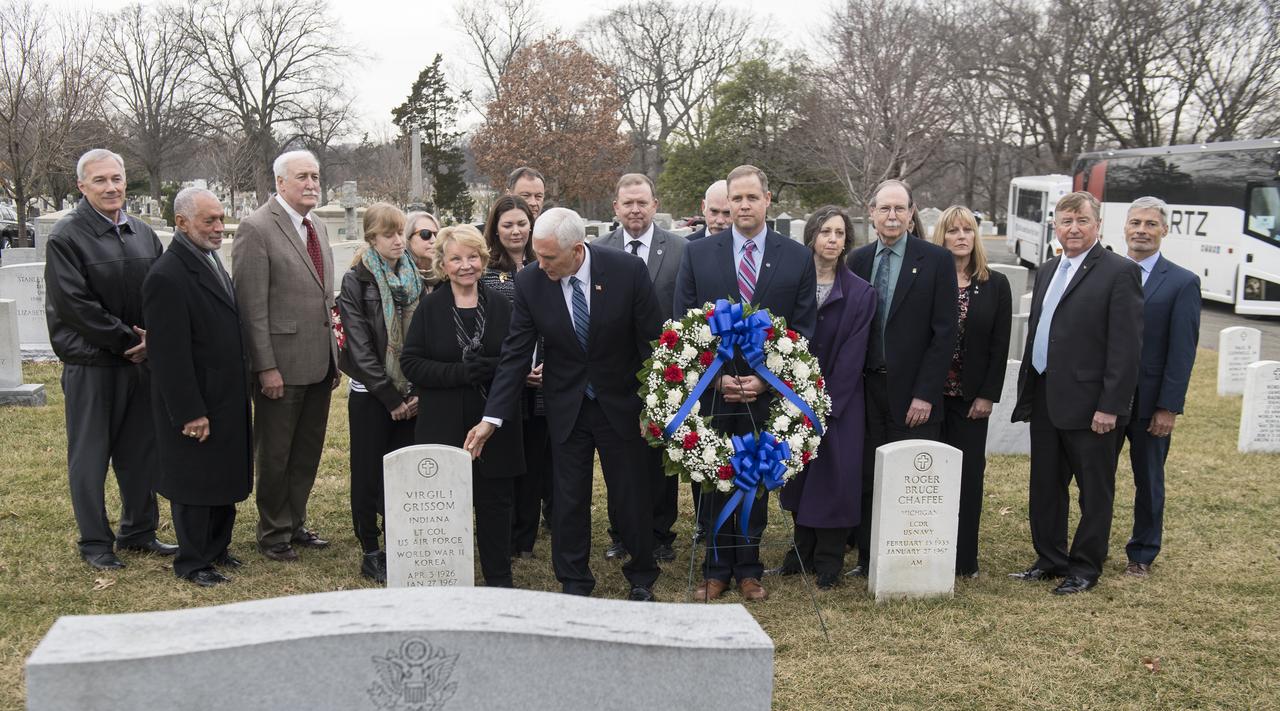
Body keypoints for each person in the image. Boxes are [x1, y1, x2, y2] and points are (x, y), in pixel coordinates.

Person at [464, 208, 664, 601]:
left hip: (620, 402)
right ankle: (573, 581)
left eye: (549, 257)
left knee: (629, 492)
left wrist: (651, 407)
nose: (541, 264)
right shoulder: (531, 282)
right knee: (568, 497)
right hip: (566, 403)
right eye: (538, 256)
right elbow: (515, 352)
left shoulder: (627, 272)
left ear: (577, 250)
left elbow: (652, 344)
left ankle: (641, 575)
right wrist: (492, 419)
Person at [673, 165, 818, 602]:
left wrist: (765, 382)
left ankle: (750, 568)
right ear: (727, 202)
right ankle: (716, 569)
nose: (743, 205)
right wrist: (714, 381)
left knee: (756, 477)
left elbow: (805, 328)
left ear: (767, 200)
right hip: (715, 392)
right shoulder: (699, 253)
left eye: (752, 197)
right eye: (736, 199)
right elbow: (683, 324)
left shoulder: (795, 256)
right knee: (715, 477)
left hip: (766, 393)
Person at [45, 148, 177, 570]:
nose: (111, 187)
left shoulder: (142, 233)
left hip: (139, 363)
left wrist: (155, 336)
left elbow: (162, 289)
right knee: (90, 456)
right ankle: (95, 543)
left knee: (141, 452)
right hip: (92, 363)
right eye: (100, 180)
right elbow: (75, 306)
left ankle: (138, 531)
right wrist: (126, 339)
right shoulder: (66, 237)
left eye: (116, 178)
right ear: (82, 187)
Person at [1010, 191, 1143, 595]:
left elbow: (1126, 347)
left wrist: (1110, 406)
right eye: (1065, 221)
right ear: (1055, 226)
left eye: (1081, 221)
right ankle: (1050, 558)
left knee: (1094, 490)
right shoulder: (1049, 269)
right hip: (1048, 394)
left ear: (1097, 225)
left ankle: (1085, 568)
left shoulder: (1119, 272)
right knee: (1046, 485)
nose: (1073, 228)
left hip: (1092, 405)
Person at [845, 179, 957, 578]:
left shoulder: (936, 260)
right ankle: (866, 557)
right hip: (864, 388)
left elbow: (945, 334)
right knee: (866, 474)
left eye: (900, 209)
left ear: (911, 214)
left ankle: (906, 558)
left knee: (907, 479)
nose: (892, 216)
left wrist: (926, 393)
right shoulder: (856, 260)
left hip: (912, 393)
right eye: (884, 208)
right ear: (871, 213)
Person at [141, 188, 252, 587]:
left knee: (223, 473)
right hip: (198, 398)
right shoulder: (168, 276)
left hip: (226, 393)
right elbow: (168, 355)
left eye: (221, 219)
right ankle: (192, 561)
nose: (219, 228)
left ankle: (217, 548)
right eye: (209, 221)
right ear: (182, 222)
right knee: (194, 481)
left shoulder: (209, 259)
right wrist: (190, 411)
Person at [231, 149, 338, 563]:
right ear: (280, 182)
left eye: (315, 176)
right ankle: (273, 531)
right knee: (275, 453)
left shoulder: (318, 227)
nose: (312, 183)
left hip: (319, 362)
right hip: (281, 366)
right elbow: (251, 308)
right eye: (303, 177)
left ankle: (294, 522)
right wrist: (266, 366)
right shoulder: (256, 229)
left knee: (306, 451)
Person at [402, 225, 523, 588]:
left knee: (496, 505)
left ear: (483, 260)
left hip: (494, 420)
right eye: (456, 259)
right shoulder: (430, 307)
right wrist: (458, 372)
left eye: (472, 257)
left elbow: (515, 362)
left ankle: (499, 580)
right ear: (443, 263)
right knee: (448, 502)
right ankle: (450, 578)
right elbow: (412, 363)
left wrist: (492, 366)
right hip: (444, 420)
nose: (465, 266)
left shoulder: (502, 305)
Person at [774, 206, 876, 589]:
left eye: (839, 233)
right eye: (826, 232)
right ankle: (800, 551)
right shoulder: (793, 286)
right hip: (793, 398)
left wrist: (824, 402)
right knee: (799, 475)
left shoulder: (860, 294)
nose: (833, 239)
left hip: (839, 402)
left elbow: (853, 354)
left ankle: (829, 559)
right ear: (812, 237)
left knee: (834, 477)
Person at [596, 173, 688, 564]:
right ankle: (620, 531)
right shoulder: (598, 250)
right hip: (615, 372)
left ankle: (660, 532)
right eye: (627, 203)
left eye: (642, 202)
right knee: (620, 457)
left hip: (666, 368)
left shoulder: (682, 250)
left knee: (660, 456)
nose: (635, 209)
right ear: (615, 207)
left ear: (655, 204)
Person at [337, 203, 424, 584]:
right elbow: (358, 347)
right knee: (369, 473)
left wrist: (414, 391)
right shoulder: (357, 281)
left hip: (411, 391)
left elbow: (424, 339)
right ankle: (370, 549)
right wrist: (391, 398)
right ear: (371, 238)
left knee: (402, 473)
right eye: (389, 234)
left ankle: (400, 540)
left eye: (401, 232)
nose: (397, 241)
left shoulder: (415, 277)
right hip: (373, 394)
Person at [929, 206, 1012, 578]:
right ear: (941, 236)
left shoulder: (995, 284)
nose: (961, 236)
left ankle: (964, 560)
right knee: (929, 478)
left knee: (968, 479)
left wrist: (987, 394)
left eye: (967, 230)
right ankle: (927, 549)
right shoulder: (930, 280)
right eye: (952, 231)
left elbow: (999, 345)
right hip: (929, 399)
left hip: (969, 400)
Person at [1120, 196, 1200, 578]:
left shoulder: (1182, 282)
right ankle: (1090, 544)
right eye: (1135, 223)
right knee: (1095, 479)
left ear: (1164, 231)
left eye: (1151, 224)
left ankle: (1142, 553)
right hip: (1106, 399)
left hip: (1151, 404)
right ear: (1124, 228)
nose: (1141, 231)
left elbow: (1182, 351)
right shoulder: (1107, 272)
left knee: (1149, 480)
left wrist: (1168, 406)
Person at [479, 195, 550, 561]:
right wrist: (520, 371)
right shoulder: (488, 272)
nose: (516, 230)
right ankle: (504, 536)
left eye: (521, 223)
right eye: (507, 224)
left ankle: (526, 538)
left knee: (536, 464)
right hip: (505, 386)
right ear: (495, 229)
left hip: (545, 384)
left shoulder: (546, 265)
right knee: (508, 463)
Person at [404, 211, 441, 288]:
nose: (434, 240)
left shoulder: (448, 273)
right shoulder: (397, 277)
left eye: (436, 234)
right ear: (408, 237)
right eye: (426, 234)